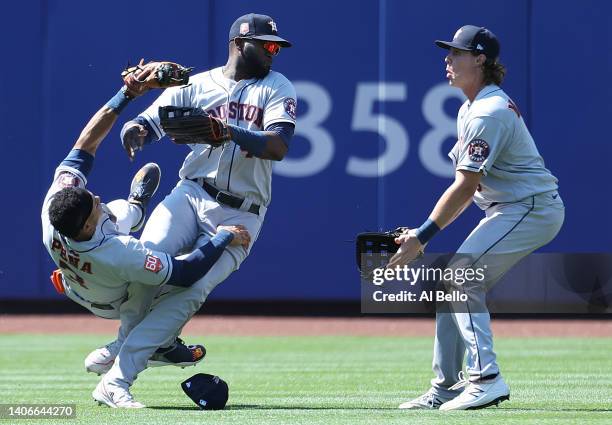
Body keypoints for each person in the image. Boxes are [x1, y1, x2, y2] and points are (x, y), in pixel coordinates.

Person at [90, 12, 296, 406]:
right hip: (190, 193)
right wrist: (133, 132)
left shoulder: (276, 87)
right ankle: (130, 345)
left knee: (191, 290)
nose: (273, 52)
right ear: (239, 43)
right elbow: (146, 125)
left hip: (242, 213)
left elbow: (278, 146)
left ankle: (117, 379)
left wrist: (229, 130)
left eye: (277, 47)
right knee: (146, 263)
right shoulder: (198, 85)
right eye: (266, 45)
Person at [41, 64, 251, 408]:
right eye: (93, 205)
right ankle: (135, 353)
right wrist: (223, 237)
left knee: (119, 213)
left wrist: (127, 95)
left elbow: (85, 144)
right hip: (111, 295)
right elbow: (185, 272)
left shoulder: (56, 211)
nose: (94, 197)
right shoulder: (117, 250)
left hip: (79, 277)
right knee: (171, 286)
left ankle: (135, 209)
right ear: (89, 226)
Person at [390, 25, 564, 410]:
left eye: (457, 53)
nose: (447, 59)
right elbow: (468, 192)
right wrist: (422, 234)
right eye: (448, 52)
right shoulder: (472, 106)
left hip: (531, 208)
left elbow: (465, 188)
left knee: (459, 278)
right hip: (513, 207)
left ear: (481, 59)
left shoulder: (488, 112)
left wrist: (422, 235)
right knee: (450, 281)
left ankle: (486, 378)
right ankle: (445, 388)